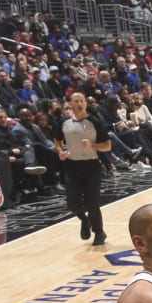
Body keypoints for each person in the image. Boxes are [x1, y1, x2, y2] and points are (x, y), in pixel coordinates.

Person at [55, 91, 111, 245]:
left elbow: (107, 145)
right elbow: (57, 140)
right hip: (72, 167)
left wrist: (92, 145)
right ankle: (84, 220)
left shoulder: (94, 122)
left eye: (81, 101)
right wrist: (60, 151)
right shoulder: (64, 122)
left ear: (85, 104)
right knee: (72, 204)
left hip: (91, 166)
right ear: (70, 104)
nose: (79, 103)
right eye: (76, 101)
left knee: (92, 204)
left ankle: (99, 232)